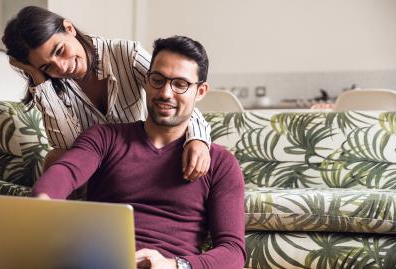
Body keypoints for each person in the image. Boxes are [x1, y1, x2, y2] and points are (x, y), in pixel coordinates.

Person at [32, 35, 246, 269]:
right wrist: (43, 200)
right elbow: (67, 170)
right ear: (146, 81)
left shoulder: (220, 163)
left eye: (180, 84)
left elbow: (233, 252)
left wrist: (173, 265)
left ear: (201, 91)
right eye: (158, 80)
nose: (165, 93)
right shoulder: (105, 137)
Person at [2, 6, 211, 181]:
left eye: (60, 51)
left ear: (69, 28)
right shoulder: (54, 84)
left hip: (140, 154)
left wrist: (198, 140)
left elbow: (173, 93)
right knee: (56, 158)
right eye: (47, 66)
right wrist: (39, 78)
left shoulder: (126, 55)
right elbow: (67, 147)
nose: (62, 67)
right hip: (95, 164)